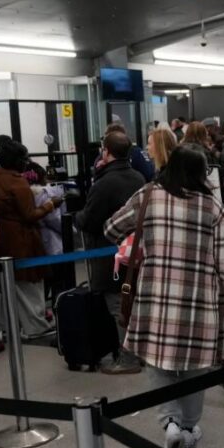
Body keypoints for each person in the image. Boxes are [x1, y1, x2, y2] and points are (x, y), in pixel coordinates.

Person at [104, 146, 224, 448]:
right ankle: (189, 426)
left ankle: (170, 424)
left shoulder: (147, 195)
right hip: (199, 298)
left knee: (157, 362)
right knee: (195, 366)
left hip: (155, 295)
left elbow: (111, 228)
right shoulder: (213, 206)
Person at [76, 131, 146, 373]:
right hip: (134, 252)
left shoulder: (103, 184)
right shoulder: (138, 177)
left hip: (108, 255)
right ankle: (138, 352)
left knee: (117, 305)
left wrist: (77, 216)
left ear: (106, 152)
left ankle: (128, 358)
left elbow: (90, 219)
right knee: (132, 302)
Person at [0, 141, 61, 340]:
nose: (27, 162)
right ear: (16, 160)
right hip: (22, 239)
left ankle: (10, 326)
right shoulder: (17, 182)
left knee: (7, 286)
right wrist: (51, 204)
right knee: (30, 285)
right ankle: (36, 326)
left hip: (0, 240)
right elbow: (29, 215)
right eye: (24, 158)